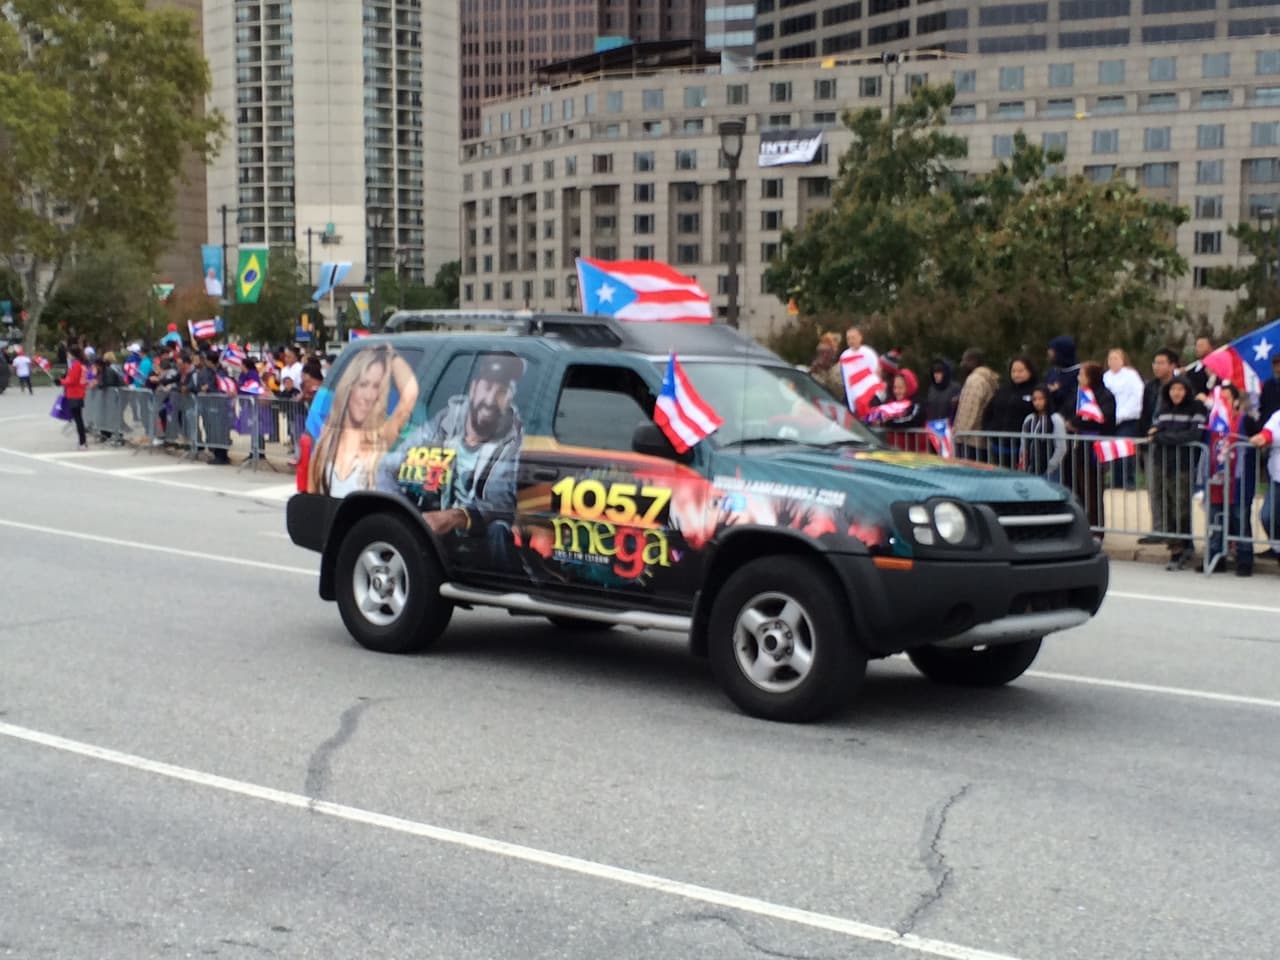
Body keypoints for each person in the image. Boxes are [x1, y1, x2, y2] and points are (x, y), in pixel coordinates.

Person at [378, 352, 526, 568]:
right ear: (473, 388)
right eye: (487, 387)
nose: (490, 400)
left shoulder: (513, 440)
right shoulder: (444, 423)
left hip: (480, 542)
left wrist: (456, 517)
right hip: (431, 541)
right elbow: (387, 467)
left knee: (499, 530)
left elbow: (500, 503)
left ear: (509, 398)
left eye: (501, 392)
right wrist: (406, 519)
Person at [308, 344, 418, 496]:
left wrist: (391, 356)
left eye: (376, 387)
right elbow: (311, 499)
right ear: (349, 387)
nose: (369, 396)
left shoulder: (379, 438)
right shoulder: (326, 441)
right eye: (363, 384)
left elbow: (409, 395)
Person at [1149, 375, 1205, 571]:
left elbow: (1193, 434)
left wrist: (1163, 437)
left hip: (1183, 465)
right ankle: (1176, 548)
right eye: (1173, 389)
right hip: (1161, 463)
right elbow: (1155, 431)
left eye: (1180, 389)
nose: (1176, 393)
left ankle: (1183, 546)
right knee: (1166, 507)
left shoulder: (1196, 408)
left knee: (1180, 508)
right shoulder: (1164, 409)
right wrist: (1159, 435)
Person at [1203, 383, 1258, 576]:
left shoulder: (1245, 420)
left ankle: (1245, 559)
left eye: (1227, 398)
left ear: (1235, 400)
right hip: (1216, 478)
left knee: (1240, 518)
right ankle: (1216, 556)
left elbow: (1257, 437)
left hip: (1238, 479)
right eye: (1220, 398)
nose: (1223, 402)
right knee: (1216, 518)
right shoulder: (1211, 421)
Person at [1063, 361, 1116, 535]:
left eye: (1082, 374)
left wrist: (1078, 424)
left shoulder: (1105, 395)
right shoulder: (1077, 394)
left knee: (1093, 491)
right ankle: (1080, 526)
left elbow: (1104, 418)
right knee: (1078, 490)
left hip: (1094, 449)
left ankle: (1096, 529)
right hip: (1076, 449)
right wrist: (1069, 423)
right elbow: (1067, 413)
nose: (1079, 378)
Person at [1137, 348, 1179, 544]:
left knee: (1172, 489)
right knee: (1154, 487)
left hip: (1171, 444)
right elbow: (1144, 413)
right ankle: (1159, 527)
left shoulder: (1179, 386)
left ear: (1172, 365)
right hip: (1151, 442)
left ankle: (1175, 531)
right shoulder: (1150, 387)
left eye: (1162, 362)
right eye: (1155, 362)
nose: (1157, 366)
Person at [982, 355, 1037, 469]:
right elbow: (989, 411)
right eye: (1013, 371)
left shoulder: (1036, 390)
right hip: (998, 445)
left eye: (1021, 371)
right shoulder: (1003, 390)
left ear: (1030, 371)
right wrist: (989, 429)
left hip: (1022, 448)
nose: (1016, 374)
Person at [1103, 348, 1144, 490]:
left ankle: (1129, 480)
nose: (1112, 362)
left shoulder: (1131, 375)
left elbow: (1137, 396)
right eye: (1110, 359)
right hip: (1110, 420)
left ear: (1122, 360)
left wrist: (1123, 414)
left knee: (1125, 450)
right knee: (1113, 451)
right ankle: (1116, 480)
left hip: (1128, 418)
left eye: (1115, 358)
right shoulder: (1106, 377)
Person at [953, 347, 998, 462]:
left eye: (965, 360)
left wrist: (958, 434)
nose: (962, 364)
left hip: (970, 440)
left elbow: (969, 411)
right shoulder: (987, 379)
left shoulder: (975, 380)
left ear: (974, 361)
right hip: (980, 439)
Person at [1251, 405, 1280, 565]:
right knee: (1267, 516)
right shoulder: (1278, 415)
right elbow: (1268, 433)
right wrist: (1262, 438)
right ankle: (1277, 548)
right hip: (1277, 475)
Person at [869, 369, 926, 450]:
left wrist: (889, 422)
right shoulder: (891, 402)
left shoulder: (917, 402)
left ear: (908, 386)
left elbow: (913, 419)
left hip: (914, 453)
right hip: (894, 451)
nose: (896, 391)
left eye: (900, 388)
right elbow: (875, 413)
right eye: (895, 387)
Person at [1021, 386, 1067, 483]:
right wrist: (1023, 462)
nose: (1037, 402)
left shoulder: (1055, 419)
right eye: (1034, 399)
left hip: (1049, 469)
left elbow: (1061, 447)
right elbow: (1024, 443)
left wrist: (1051, 465)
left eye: (1041, 399)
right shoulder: (1029, 419)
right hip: (1031, 467)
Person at [61, 345, 89, 450]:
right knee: (78, 418)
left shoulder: (76, 365)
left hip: (74, 393)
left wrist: (61, 381)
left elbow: (72, 380)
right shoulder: (81, 365)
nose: (67, 355)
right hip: (79, 393)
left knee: (78, 419)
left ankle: (82, 442)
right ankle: (82, 441)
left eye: (69, 353)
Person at [1044, 335, 1081, 415]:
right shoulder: (1052, 372)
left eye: (1052, 350)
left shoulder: (1080, 374)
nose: (1049, 353)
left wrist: (1058, 392)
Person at [924, 358, 960, 423]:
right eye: (934, 373)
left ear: (945, 373)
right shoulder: (931, 389)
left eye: (939, 373)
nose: (936, 375)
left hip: (949, 427)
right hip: (933, 426)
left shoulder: (955, 388)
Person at [808, 333, 843, 400]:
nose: (837, 343)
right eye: (835, 341)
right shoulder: (829, 350)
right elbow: (823, 362)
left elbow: (818, 361)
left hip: (818, 372)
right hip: (822, 374)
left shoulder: (823, 349)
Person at [1260, 353, 1280, 423]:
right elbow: (1263, 406)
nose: (1278, 367)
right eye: (1275, 364)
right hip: (1271, 423)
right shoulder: (1268, 385)